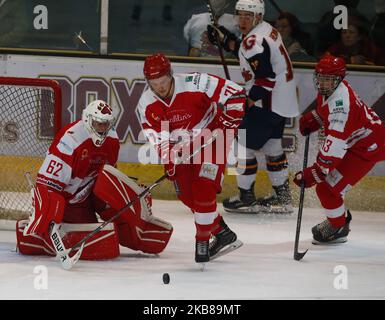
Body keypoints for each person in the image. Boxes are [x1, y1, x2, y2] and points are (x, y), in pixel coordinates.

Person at [16, 100, 173, 260]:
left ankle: (139, 231)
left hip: (90, 193)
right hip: (70, 202)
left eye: (106, 124)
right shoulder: (70, 139)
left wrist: (130, 191)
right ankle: (43, 239)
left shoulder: (112, 139)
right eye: (98, 124)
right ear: (88, 119)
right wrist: (49, 215)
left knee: (124, 194)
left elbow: (109, 174)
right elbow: (48, 185)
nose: (103, 129)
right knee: (105, 245)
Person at [138, 53, 246, 263]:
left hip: (214, 137)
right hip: (182, 149)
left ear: (170, 74)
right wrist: (169, 159)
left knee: (203, 189)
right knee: (188, 197)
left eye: (163, 81)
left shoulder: (196, 82)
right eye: (154, 83)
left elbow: (236, 94)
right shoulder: (146, 104)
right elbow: (158, 138)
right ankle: (223, 234)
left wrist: (228, 121)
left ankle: (202, 242)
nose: (160, 87)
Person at [207, 0, 300, 214]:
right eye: (239, 14)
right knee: (272, 147)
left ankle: (246, 197)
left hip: (266, 102)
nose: (242, 19)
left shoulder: (253, 41)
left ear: (258, 17)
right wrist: (230, 44)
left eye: (248, 16)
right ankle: (282, 196)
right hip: (281, 103)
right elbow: (256, 56)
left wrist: (247, 102)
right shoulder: (268, 30)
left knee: (241, 147)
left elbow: (265, 78)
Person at [294, 54, 385, 244]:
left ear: (339, 79)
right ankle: (338, 220)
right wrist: (317, 117)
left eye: (328, 80)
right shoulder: (334, 89)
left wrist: (315, 172)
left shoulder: (342, 107)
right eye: (320, 78)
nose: (323, 84)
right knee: (327, 187)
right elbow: (329, 114)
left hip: (366, 149)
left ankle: (338, 226)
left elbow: (334, 146)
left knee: (326, 189)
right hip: (357, 142)